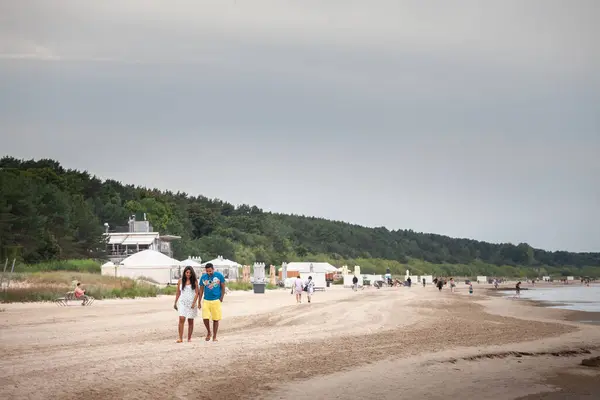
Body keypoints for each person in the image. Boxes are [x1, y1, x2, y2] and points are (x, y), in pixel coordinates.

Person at [198, 263, 226, 342]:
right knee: (205, 318)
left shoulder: (219, 276)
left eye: (210, 271)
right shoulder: (203, 277)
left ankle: (214, 336)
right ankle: (209, 332)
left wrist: (221, 297)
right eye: (207, 271)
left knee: (215, 319)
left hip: (216, 300)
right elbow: (201, 290)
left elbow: (223, 287)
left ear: (213, 269)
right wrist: (199, 302)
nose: (209, 273)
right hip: (206, 300)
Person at [173, 266, 199, 343]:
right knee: (181, 318)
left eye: (190, 273)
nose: (188, 274)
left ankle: (189, 338)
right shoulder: (180, 281)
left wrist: (194, 303)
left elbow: (197, 293)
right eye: (187, 272)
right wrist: (175, 302)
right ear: (184, 273)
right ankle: (180, 338)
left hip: (191, 303)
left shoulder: (194, 281)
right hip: (182, 302)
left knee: (190, 320)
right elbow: (178, 292)